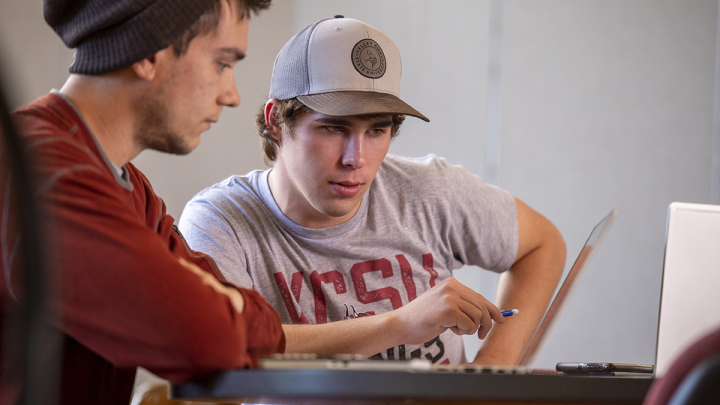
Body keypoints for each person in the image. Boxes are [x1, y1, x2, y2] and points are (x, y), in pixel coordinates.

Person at [179, 16, 566, 366]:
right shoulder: (220, 221)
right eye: (334, 128)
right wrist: (400, 324)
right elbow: (226, 344)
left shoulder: (429, 190)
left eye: (377, 130)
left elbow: (542, 244)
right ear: (277, 122)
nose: (356, 158)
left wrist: (490, 373)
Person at [0, 0, 285, 404]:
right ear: (150, 53)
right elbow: (205, 340)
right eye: (222, 64)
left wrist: (224, 305)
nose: (232, 95)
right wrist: (221, 306)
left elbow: (266, 329)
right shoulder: (44, 172)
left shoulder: (130, 188)